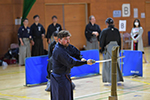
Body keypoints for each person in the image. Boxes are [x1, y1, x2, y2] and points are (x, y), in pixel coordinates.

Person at [50, 30, 94, 100]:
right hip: (59, 78)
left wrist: (81, 58)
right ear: (59, 40)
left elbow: (75, 52)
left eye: (69, 39)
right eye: (65, 39)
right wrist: (85, 63)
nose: (68, 41)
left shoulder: (66, 45)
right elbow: (71, 63)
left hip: (65, 76)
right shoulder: (59, 51)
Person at [99, 18, 124, 85]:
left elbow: (102, 42)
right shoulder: (117, 31)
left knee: (108, 65)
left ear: (107, 24)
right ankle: (117, 79)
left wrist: (102, 50)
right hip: (116, 49)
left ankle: (110, 80)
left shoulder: (104, 31)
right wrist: (119, 50)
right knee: (116, 64)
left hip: (108, 50)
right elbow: (119, 42)